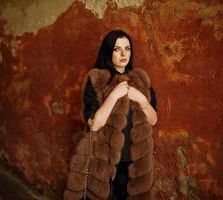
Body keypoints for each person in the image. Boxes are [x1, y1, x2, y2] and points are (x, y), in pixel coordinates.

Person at [64, 30, 157, 200]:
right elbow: (94, 124)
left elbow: (153, 120)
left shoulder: (140, 80)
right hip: (103, 160)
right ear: (108, 51)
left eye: (127, 48)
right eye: (117, 49)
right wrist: (114, 95)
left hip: (134, 161)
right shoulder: (97, 79)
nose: (123, 54)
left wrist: (142, 100)